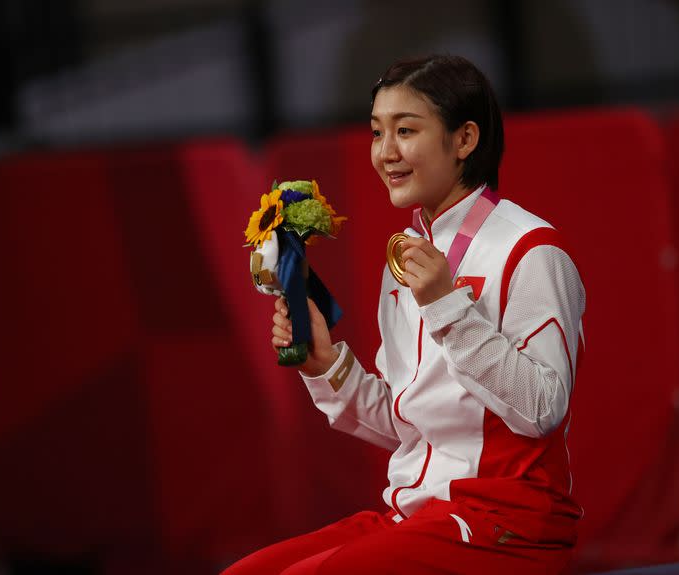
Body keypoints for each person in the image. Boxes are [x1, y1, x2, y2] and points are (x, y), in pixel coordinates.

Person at [223, 54, 586, 575]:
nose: (385, 153)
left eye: (406, 130)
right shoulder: (406, 260)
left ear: (464, 139)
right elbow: (409, 422)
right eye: (376, 132)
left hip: (507, 525)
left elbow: (543, 408)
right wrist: (327, 367)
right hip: (417, 516)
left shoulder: (530, 250)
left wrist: (447, 308)